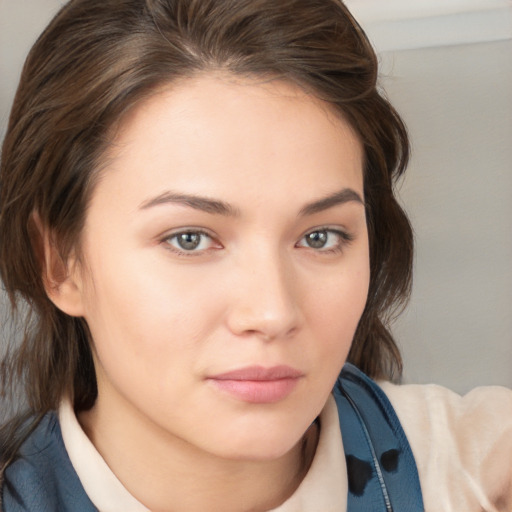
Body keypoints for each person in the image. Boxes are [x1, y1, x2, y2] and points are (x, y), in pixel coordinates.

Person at [0, 0, 510, 510]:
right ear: (60, 262)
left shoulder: (476, 479)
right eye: (190, 239)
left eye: (320, 237)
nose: (272, 312)